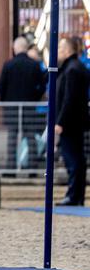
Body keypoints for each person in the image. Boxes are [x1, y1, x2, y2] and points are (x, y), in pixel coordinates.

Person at [56, 36, 89, 206]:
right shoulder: (74, 68)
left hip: (70, 123)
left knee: (73, 159)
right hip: (74, 121)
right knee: (76, 159)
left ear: (68, 50)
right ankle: (75, 194)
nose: (59, 52)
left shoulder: (72, 69)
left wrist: (60, 121)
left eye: (61, 48)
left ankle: (74, 194)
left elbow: (69, 99)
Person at [0, 36, 46, 102]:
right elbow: (42, 86)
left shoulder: (8, 65)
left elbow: (1, 87)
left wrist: (5, 101)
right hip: (29, 107)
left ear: (15, 48)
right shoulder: (34, 65)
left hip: (11, 107)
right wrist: (35, 98)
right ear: (26, 48)